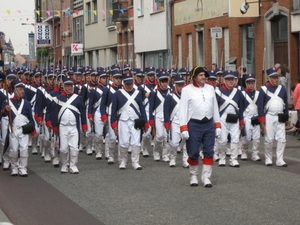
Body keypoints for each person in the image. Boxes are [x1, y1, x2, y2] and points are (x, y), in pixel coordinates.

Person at [179, 66, 221, 188]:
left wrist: (217, 124)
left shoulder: (210, 88)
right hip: (194, 124)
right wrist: (183, 127)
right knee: (193, 152)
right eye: (201, 75)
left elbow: (215, 107)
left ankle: (206, 177)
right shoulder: (186, 90)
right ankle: (193, 175)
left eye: (204, 75)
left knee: (209, 151)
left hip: (208, 124)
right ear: (194, 77)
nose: (203, 77)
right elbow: (183, 110)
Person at [48, 77, 87, 173]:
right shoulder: (57, 99)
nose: (70, 88)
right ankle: (64, 164)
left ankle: (73, 165)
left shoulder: (78, 98)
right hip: (62, 126)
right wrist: (55, 127)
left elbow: (82, 112)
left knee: (74, 147)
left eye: (71, 86)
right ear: (64, 87)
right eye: (68, 86)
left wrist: (84, 125)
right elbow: (53, 114)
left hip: (74, 126)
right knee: (63, 148)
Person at [110, 72, 148, 170]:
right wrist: (114, 124)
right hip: (123, 121)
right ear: (123, 83)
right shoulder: (117, 94)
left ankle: (135, 162)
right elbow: (114, 111)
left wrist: (146, 122)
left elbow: (142, 109)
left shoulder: (138, 93)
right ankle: (123, 161)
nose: (129, 85)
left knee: (136, 143)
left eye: (130, 83)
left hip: (136, 121)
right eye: (127, 84)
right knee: (123, 143)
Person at [2, 79, 36, 176]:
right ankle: (14, 167)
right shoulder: (8, 102)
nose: (22, 91)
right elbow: (3, 114)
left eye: (23, 89)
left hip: (24, 130)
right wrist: (6, 109)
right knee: (13, 150)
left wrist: (33, 130)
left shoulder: (27, 103)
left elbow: (30, 118)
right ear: (15, 90)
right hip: (13, 129)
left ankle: (23, 168)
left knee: (24, 149)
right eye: (20, 89)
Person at [257, 67, 289, 167]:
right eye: (274, 77)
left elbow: (286, 104)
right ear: (269, 78)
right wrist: (262, 121)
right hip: (269, 117)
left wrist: (286, 116)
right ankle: (268, 158)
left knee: (282, 139)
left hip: (280, 116)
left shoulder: (282, 88)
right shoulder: (263, 89)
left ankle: (280, 159)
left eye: (277, 77)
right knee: (269, 139)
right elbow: (260, 106)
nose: (276, 79)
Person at [215, 70, 244, 167]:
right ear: (224, 80)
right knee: (223, 140)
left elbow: (241, 107)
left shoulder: (238, 92)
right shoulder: (218, 92)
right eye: (228, 79)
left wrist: (241, 120)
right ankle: (222, 157)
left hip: (234, 119)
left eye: (232, 79)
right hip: (222, 118)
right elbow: (215, 108)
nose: (230, 81)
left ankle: (233, 159)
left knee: (235, 139)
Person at [164, 74, 186, 167]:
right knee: (174, 142)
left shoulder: (187, 95)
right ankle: (173, 158)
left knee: (186, 143)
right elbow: (166, 111)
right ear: (175, 85)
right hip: (175, 122)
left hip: (185, 123)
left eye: (182, 85)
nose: (181, 87)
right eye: (179, 85)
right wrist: (167, 123)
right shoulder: (170, 96)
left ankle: (186, 160)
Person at [240, 74, 261, 161]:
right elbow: (240, 107)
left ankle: (255, 154)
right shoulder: (242, 94)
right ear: (246, 84)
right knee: (246, 137)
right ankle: (244, 152)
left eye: (252, 83)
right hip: (247, 118)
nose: (250, 85)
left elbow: (260, 106)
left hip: (256, 118)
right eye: (249, 83)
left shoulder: (258, 94)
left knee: (256, 138)